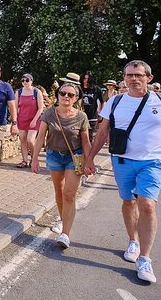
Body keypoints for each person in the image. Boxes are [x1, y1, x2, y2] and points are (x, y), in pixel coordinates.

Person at [85, 60, 161, 284]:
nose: (133, 79)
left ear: (149, 77)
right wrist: (90, 159)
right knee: (128, 202)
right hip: (122, 160)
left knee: (147, 204)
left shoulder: (159, 101)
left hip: (152, 162)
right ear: (124, 78)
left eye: (138, 75)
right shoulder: (115, 101)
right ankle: (133, 241)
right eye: (129, 75)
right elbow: (101, 133)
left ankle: (145, 259)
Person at [31, 82, 91, 249]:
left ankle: (65, 233)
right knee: (59, 191)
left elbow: (86, 142)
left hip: (74, 157)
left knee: (69, 194)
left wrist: (90, 161)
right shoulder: (49, 114)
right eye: (63, 93)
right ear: (57, 95)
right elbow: (40, 136)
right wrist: (34, 159)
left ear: (76, 98)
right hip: (54, 156)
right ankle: (62, 217)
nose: (66, 96)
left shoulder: (81, 117)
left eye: (70, 95)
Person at [14, 73, 43, 168]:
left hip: (34, 119)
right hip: (22, 119)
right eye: (23, 80)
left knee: (30, 140)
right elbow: (15, 106)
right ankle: (24, 160)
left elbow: (40, 108)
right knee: (22, 139)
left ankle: (34, 159)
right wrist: (14, 120)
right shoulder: (19, 92)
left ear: (31, 81)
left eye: (27, 80)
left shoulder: (37, 92)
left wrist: (35, 120)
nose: (25, 82)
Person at [80, 71, 104, 143]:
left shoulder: (96, 89)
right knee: (79, 136)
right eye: (84, 79)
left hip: (92, 116)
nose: (85, 81)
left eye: (87, 79)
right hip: (80, 115)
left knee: (89, 137)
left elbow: (102, 101)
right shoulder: (79, 88)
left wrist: (101, 113)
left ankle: (88, 153)